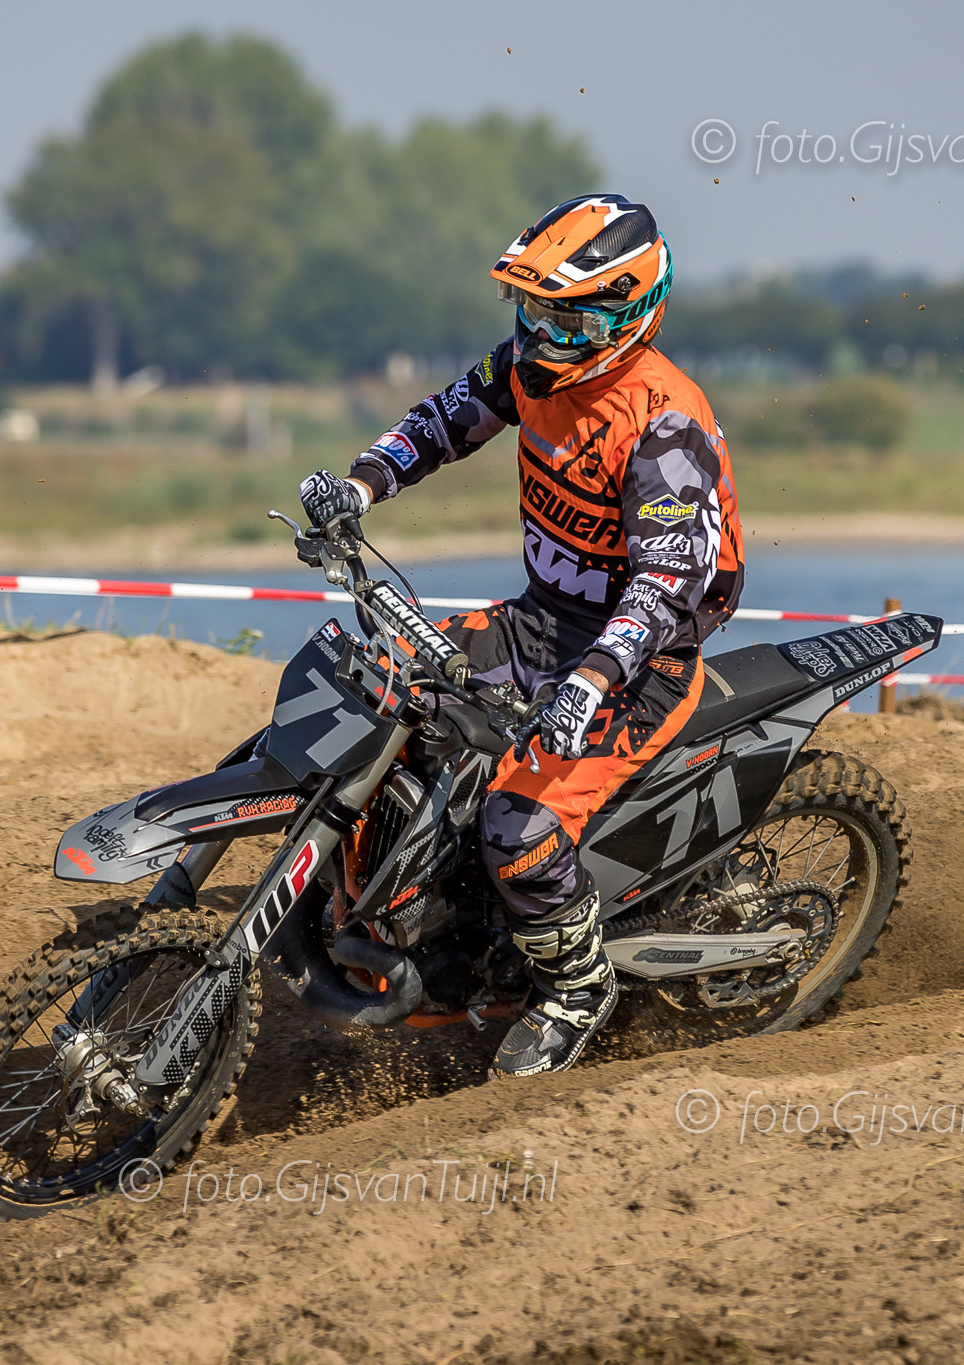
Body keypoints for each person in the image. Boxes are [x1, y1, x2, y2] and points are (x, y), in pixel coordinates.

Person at [297, 194, 744, 1076]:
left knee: (517, 826)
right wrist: (362, 485)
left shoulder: (663, 424)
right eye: (533, 310)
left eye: (565, 320)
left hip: (640, 660)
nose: (541, 336)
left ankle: (577, 987)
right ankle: (400, 898)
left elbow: (666, 584)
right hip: (543, 623)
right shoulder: (529, 369)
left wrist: (591, 682)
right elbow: (441, 422)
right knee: (387, 690)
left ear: (626, 314)